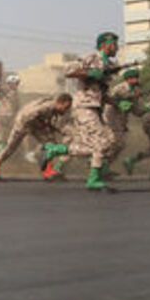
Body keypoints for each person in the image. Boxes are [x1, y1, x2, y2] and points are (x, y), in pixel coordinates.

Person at [40, 32, 120, 190]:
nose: (116, 48)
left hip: (95, 108)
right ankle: (93, 179)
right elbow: (68, 70)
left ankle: (56, 150)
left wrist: (116, 102)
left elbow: (101, 92)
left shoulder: (108, 65)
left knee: (107, 142)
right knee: (100, 143)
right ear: (105, 45)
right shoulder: (92, 58)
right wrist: (90, 73)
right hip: (84, 107)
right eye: (114, 44)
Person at [0, 93, 73, 180]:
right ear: (60, 103)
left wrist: (50, 127)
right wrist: (43, 125)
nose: (65, 110)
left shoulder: (53, 107)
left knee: (50, 143)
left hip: (36, 123)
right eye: (65, 107)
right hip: (23, 122)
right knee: (11, 146)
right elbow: (28, 115)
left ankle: (48, 169)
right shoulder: (46, 107)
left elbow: (50, 123)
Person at [103, 68, 145, 177]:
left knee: (119, 145)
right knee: (113, 142)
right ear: (128, 79)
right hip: (111, 118)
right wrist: (125, 100)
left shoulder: (135, 91)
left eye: (137, 77)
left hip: (121, 121)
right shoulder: (119, 88)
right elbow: (109, 99)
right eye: (134, 78)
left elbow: (136, 111)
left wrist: (145, 109)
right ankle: (99, 164)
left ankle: (104, 166)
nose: (137, 80)